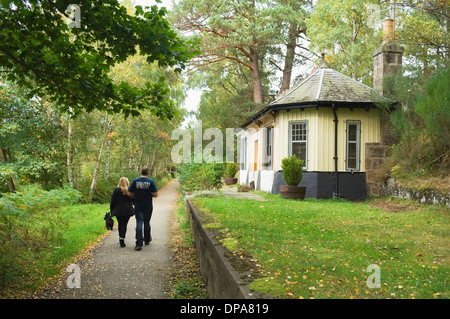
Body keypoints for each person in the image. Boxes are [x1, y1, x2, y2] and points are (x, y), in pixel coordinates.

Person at [128, 167, 158, 251]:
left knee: (139, 222)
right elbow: (156, 194)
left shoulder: (135, 181)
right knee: (147, 222)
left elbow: (129, 193)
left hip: (138, 205)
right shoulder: (151, 182)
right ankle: (147, 239)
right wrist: (149, 194)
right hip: (148, 205)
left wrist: (135, 196)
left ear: (141, 172)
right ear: (148, 173)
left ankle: (139, 244)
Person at [110, 177, 134, 247]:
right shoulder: (129, 190)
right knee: (124, 224)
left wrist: (112, 210)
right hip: (127, 210)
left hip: (118, 210)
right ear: (127, 182)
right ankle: (122, 239)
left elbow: (112, 201)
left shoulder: (116, 190)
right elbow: (133, 200)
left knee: (120, 224)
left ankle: (120, 238)